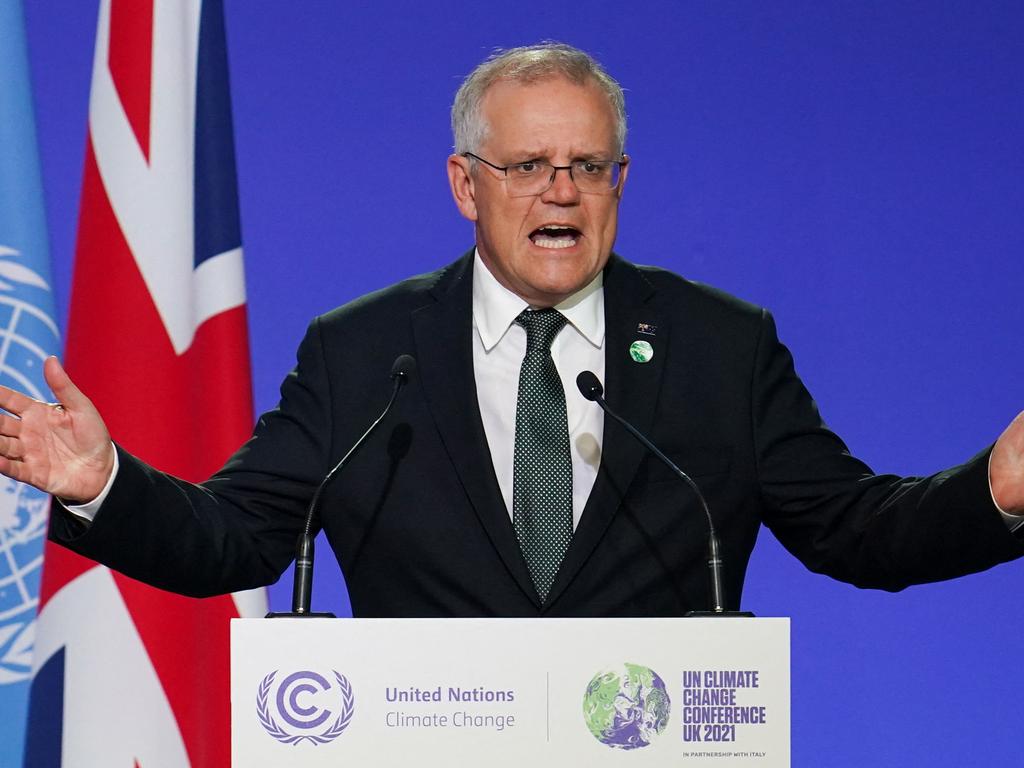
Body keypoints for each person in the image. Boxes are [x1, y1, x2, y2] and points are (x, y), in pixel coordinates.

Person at [0, 43, 1022, 616]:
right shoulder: (364, 356)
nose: (560, 192)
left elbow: (857, 529)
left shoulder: (720, 347)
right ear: (465, 186)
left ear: (620, 183)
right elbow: (238, 538)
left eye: (588, 166)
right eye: (528, 166)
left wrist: (995, 491)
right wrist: (104, 485)